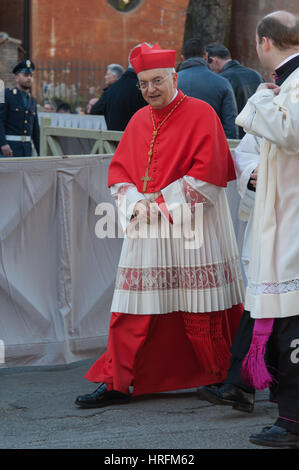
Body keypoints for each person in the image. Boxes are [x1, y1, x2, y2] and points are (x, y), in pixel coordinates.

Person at [75, 43, 244, 409]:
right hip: (147, 227)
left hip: (192, 228)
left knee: (200, 303)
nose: (151, 89)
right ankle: (118, 381)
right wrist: (136, 203)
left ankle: (220, 376)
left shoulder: (201, 114)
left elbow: (210, 176)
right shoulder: (138, 120)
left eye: (157, 81)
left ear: (174, 77)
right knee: (131, 305)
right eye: (144, 84)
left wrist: (164, 205)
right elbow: (120, 173)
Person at [199, 10, 299, 448]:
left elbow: (290, 130)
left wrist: (259, 98)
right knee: (279, 318)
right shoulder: (285, 83)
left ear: (263, 42)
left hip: (292, 221)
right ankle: (285, 414)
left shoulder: (286, 85)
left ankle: (293, 422)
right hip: (279, 215)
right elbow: (253, 150)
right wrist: (255, 172)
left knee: (291, 322)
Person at [177, 38, 238, 139]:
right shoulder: (222, 83)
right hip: (210, 145)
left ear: (183, 58)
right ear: (205, 56)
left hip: (177, 146)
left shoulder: (170, 83)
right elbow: (230, 125)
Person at [206, 44, 264, 138]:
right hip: (256, 135)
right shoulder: (256, 75)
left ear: (213, 60)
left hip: (235, 136)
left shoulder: (222, 80)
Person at [90, 46, 147, 130]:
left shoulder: (111, 89)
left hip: (114, 141)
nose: (105, 77)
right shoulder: (143, 87)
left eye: (107, 75)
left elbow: (95, 110)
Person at [0, 59, 40, 157]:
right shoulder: (5, 95)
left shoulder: (32, 101)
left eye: (31, 76)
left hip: (26, 150)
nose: (29, 78)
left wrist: (40, 151)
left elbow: (35, 129)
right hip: (9, 149)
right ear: (17, 78)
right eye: (25, 75)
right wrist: (3, 144)